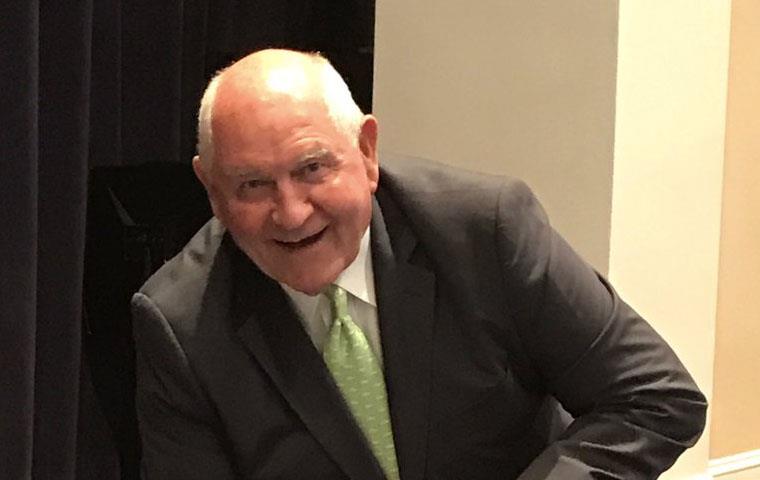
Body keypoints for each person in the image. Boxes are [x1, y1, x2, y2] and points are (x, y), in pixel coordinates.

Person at [131, 48, 706, 480]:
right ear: (210, 188)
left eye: (312, 168)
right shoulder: (180, 321)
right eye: (253, 184)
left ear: (367, 152)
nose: (291, 211)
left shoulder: (484, 229)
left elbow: (657, 398)